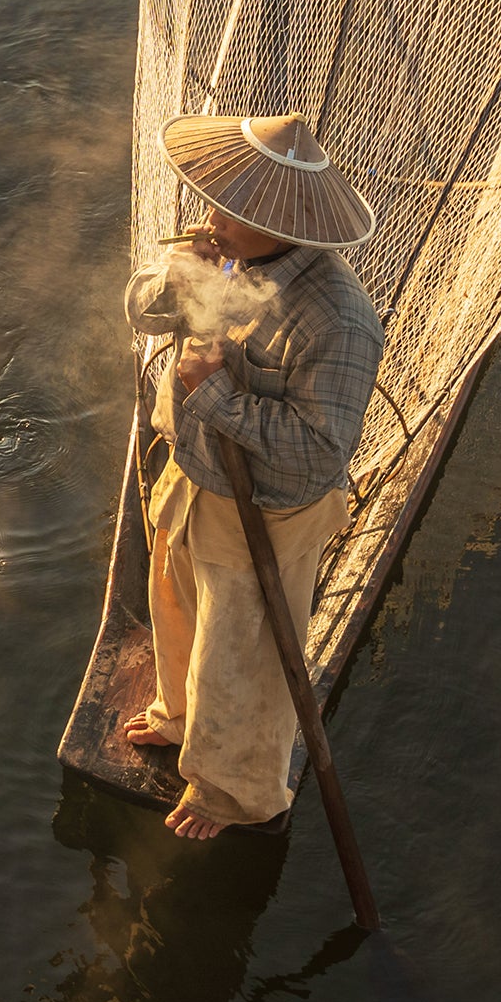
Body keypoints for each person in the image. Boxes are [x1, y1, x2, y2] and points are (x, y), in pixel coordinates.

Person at [118, 112, 385, 841]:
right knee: (173, 602)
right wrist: (185, 273)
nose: (215, 221)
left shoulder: (338, 321)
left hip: (266, 510)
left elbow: (314, 454)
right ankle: (179, 718)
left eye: (234, 214)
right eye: (219, 205)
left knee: (243, 654)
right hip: (194, 476)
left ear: (282, 223)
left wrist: (215, 395)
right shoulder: (225, 254)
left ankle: (234, 792)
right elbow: (143, 315)